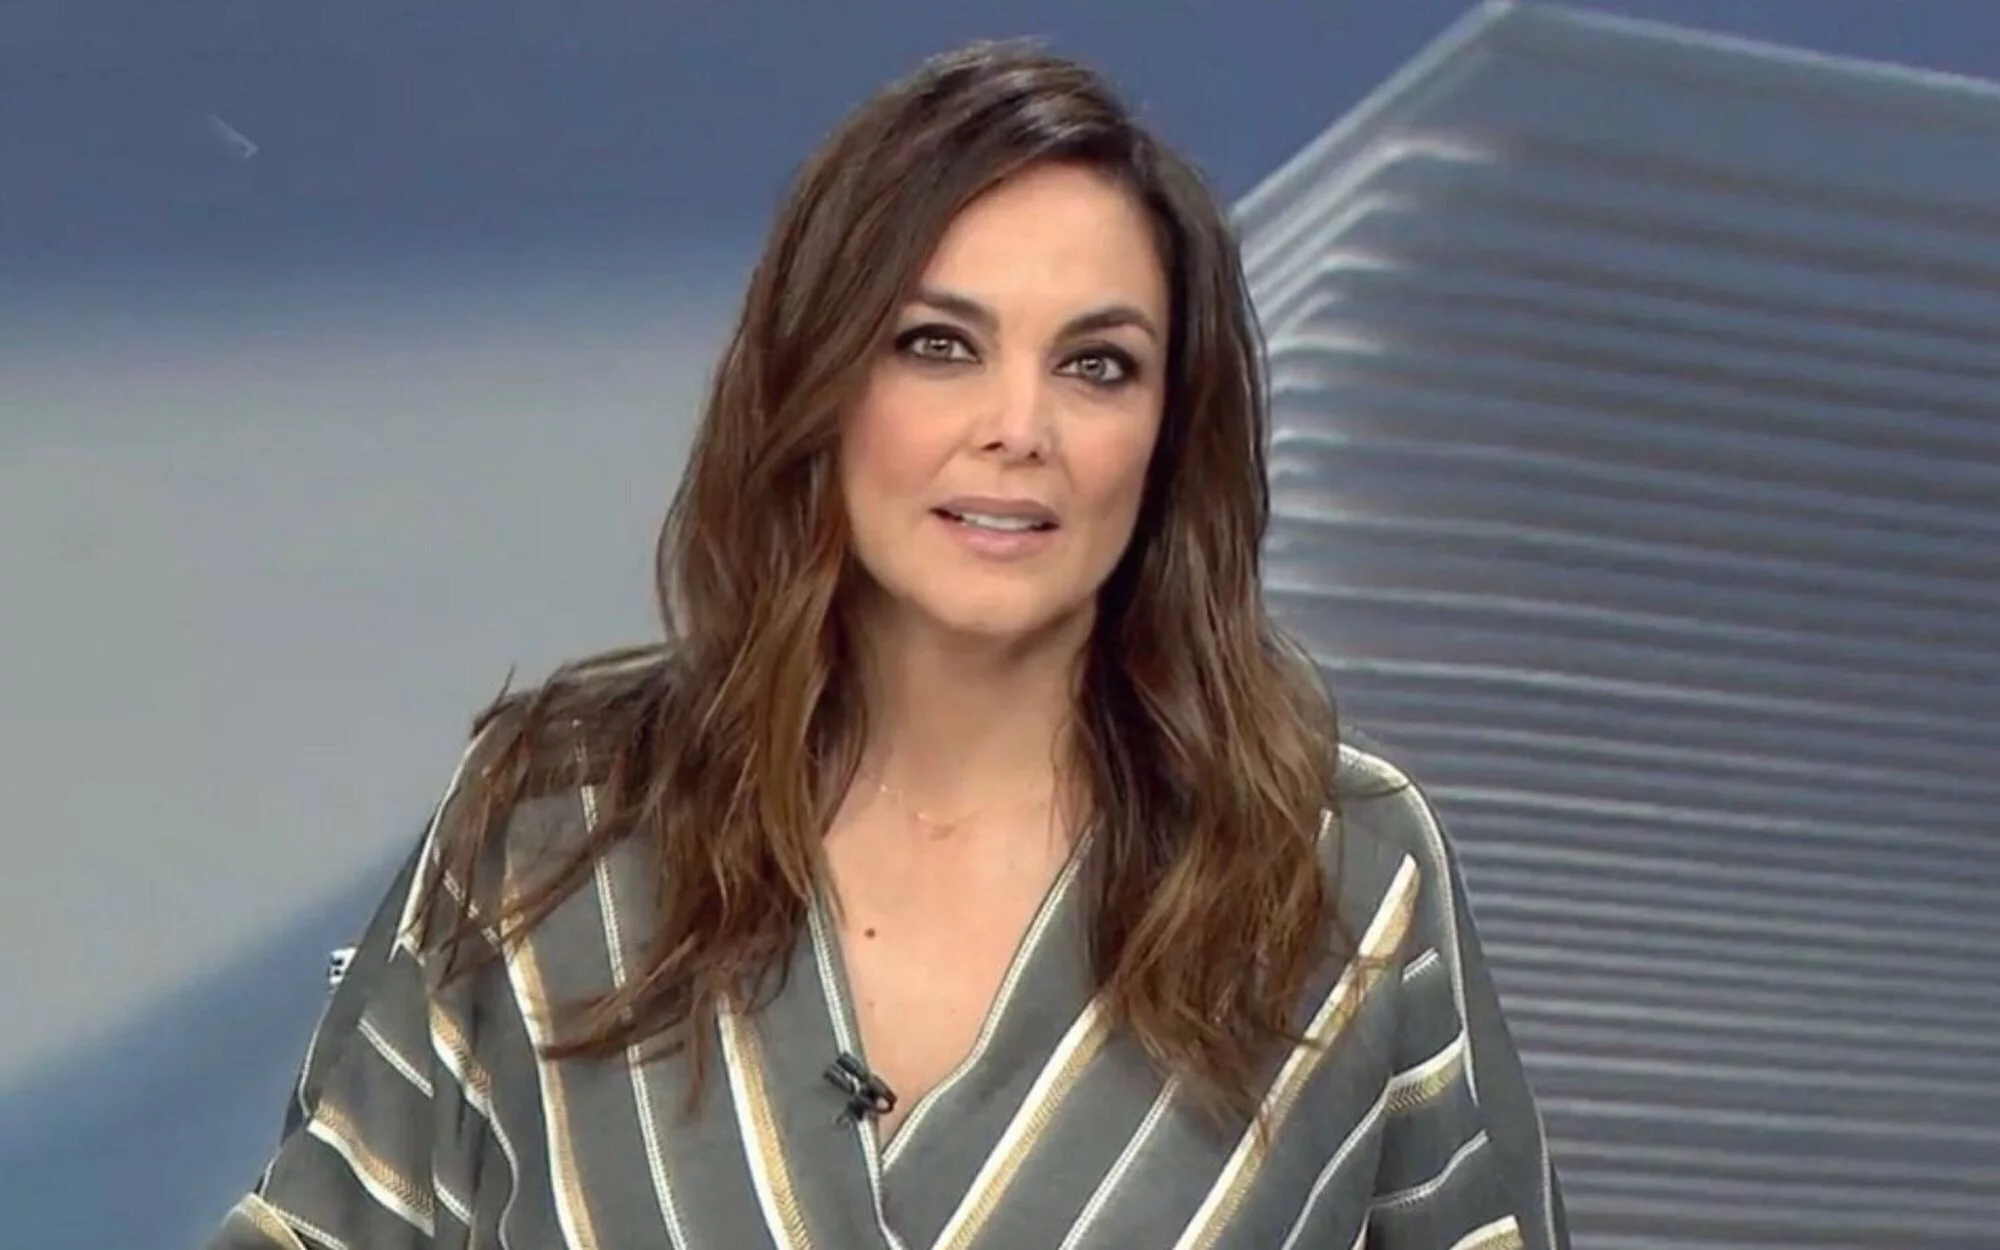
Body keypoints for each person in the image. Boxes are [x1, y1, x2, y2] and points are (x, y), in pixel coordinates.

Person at [205, 40, 1568, 1250]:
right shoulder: (556, 833)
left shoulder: (1336, 872)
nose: (1018, 428)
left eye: (1096, 364)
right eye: (937, 344)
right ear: (820, 381)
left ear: (1169, 431)